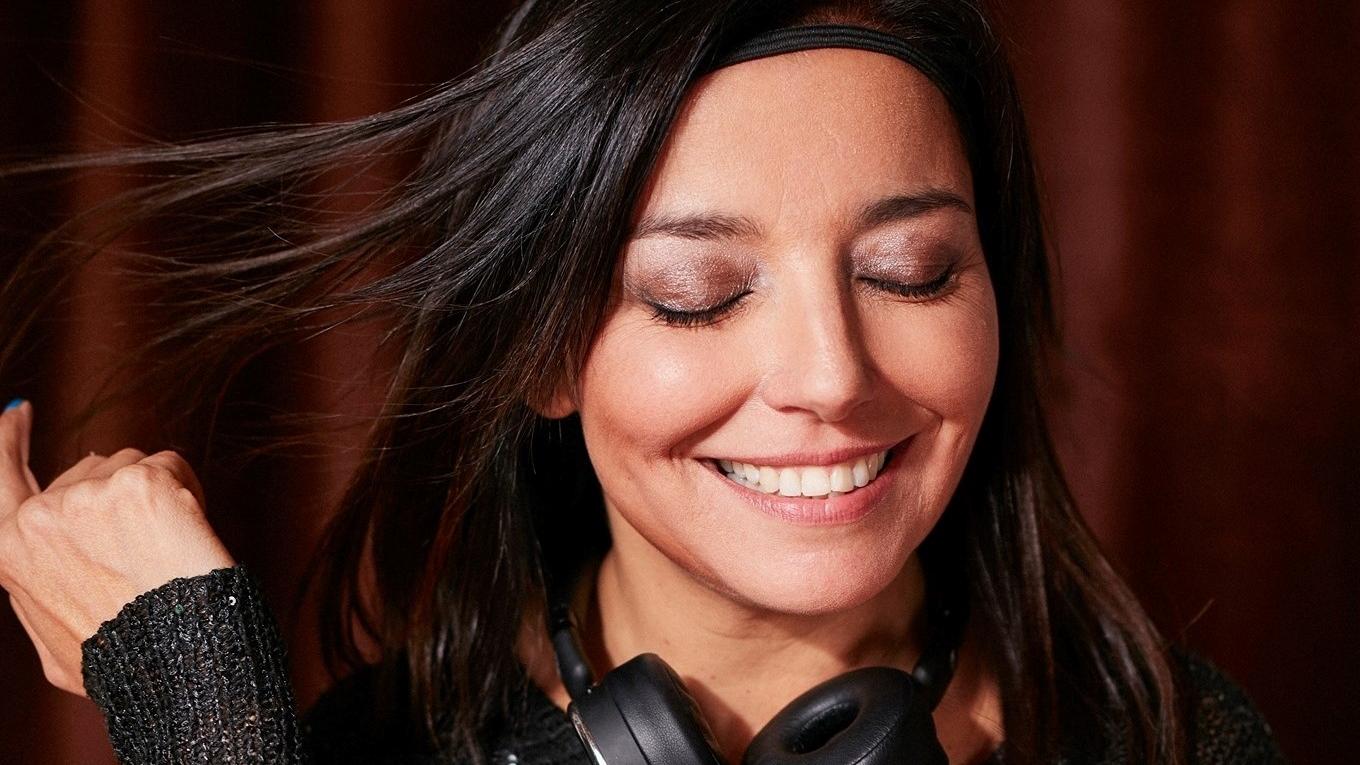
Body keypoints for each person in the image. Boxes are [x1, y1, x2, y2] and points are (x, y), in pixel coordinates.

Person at [0, 1, 1285, 763]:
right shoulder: (377, 748)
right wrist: (201, 710)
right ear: (542, 353)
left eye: (911, 273)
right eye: (696, 294)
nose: (830, 377)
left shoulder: (1169, 736)